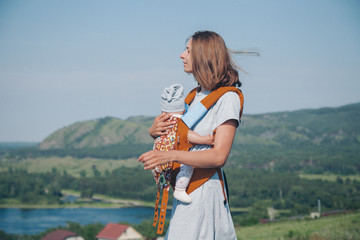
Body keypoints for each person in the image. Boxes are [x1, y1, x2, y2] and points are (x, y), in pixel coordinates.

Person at [139, 30, 243, 240]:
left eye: (188, 50)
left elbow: (219, 156)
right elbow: (184, 139)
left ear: (203, 56)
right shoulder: (193, 96)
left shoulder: (228, 98)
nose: (181, 55)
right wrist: (156, 133)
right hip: (186, 189)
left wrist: (169, 156)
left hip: (203, 188)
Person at [153, 83, 214, 203]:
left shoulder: (163, 120)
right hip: (169, 158)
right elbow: (186, 134)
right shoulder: (179, 122)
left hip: (158, 158)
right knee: (188, 165)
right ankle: (180, 189)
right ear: (183, 109)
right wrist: (205, 140)